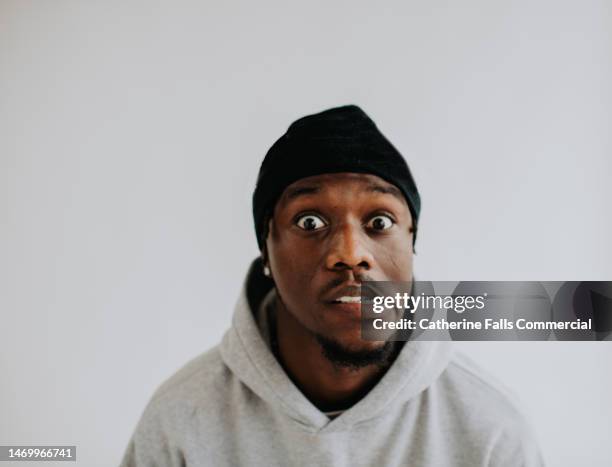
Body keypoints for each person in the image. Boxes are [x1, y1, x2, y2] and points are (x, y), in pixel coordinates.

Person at [120, 105, 544, 466]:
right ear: (266, 251)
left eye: (379, 222)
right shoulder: (180, 422)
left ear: (411, 242)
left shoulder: (490, 431)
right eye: (310, 222)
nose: (350, 252)